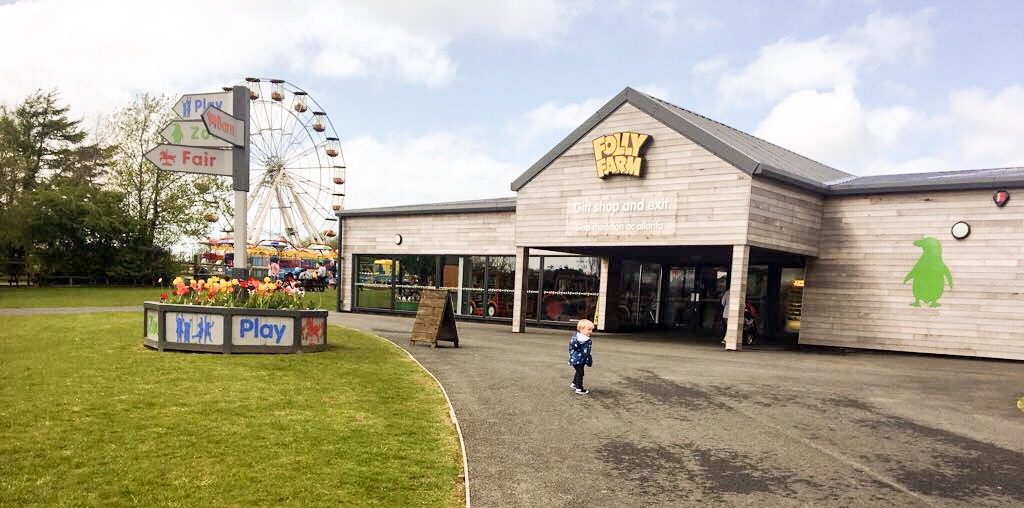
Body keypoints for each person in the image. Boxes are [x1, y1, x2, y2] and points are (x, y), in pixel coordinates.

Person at [568, 319, 595, 395]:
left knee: (579, 371)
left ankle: (574, 383)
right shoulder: (584, 340)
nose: (591, 331)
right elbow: (586, 352)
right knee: (580, 373)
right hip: (579, 359)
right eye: (589, 329)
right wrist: (589, 360)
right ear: (581, 329)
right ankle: (579, 388)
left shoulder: (577, 338)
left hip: (576, 359)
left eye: (591, 330)